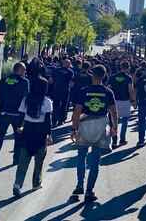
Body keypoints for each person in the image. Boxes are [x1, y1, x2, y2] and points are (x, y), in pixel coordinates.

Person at [70, 65, 118, 203]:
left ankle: (80, 184)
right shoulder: (108, 92)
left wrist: (73, 128)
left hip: (85, 125)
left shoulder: (84, 91)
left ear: (92, 75)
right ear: (104, 76)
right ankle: (89, 191)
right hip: (101, 126)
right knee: (95, 162)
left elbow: (77, 111)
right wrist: (115, 127)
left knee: (81, 157)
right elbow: (113, 112)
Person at [13, 76, 52, 197]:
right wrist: (49, 134)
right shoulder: (47, 102)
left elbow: (20, 114)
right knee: (39, 160)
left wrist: (19, 126)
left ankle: (17, 184)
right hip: (40, 132)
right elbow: (47, 120)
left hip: (28, 130)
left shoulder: (26, 99)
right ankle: (36, 182)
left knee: (23, 160)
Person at [0, 62, 29, 173]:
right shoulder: (24, 81)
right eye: (24, 70)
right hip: (18, 114)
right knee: (18, 137)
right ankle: (16, 159)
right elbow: (26, 96)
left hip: (4, 113)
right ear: (20, 70)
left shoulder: (4, 80)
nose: (25, 72)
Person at [108, 61, 136, 147]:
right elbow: (130, 90)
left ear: (120, 67)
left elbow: (109, 89)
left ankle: (114, 140)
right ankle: (122, 139)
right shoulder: (128, 78)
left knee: (113, 121)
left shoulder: (113, 77)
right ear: (128, 68)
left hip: (114, 101)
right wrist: (133, 100)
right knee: (125, 120)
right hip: (125, 101)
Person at [51, 59, 74, 127]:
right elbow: (71, 82)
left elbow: (51, 79)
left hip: (56, 90)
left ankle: (54, 120)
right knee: (64, 106)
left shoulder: (56, 70)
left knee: (55, 105)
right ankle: (61, 120)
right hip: (65, 91)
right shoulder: (70, 72)